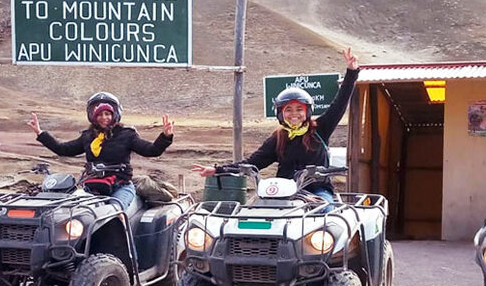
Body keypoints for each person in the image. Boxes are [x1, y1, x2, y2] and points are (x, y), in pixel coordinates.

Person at [192, 48, 360, 207]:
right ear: (281, 113)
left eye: (299, 109)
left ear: (307, 111)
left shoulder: (320, 129)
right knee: (254, 212)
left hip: (317, 190)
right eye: (288, 109)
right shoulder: (278, 138)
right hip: (282, 193)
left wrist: (351, 72)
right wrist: (217, 169)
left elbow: (340, 103)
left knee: (328, 215)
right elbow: (252, 163)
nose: (294, 114)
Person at [28, 91, 174, 209]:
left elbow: (152, 150)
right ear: (93, 116)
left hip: (120, 187)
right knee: (74, 211)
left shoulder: (127, 134)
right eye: (99, 114)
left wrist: (165, 136)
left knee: (114, 213)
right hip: (92, 187)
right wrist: (41, 134)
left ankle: (124, 245)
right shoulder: (88, 137)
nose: (104, 118)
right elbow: (63, 149)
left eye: (107, 114)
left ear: (114, 114)